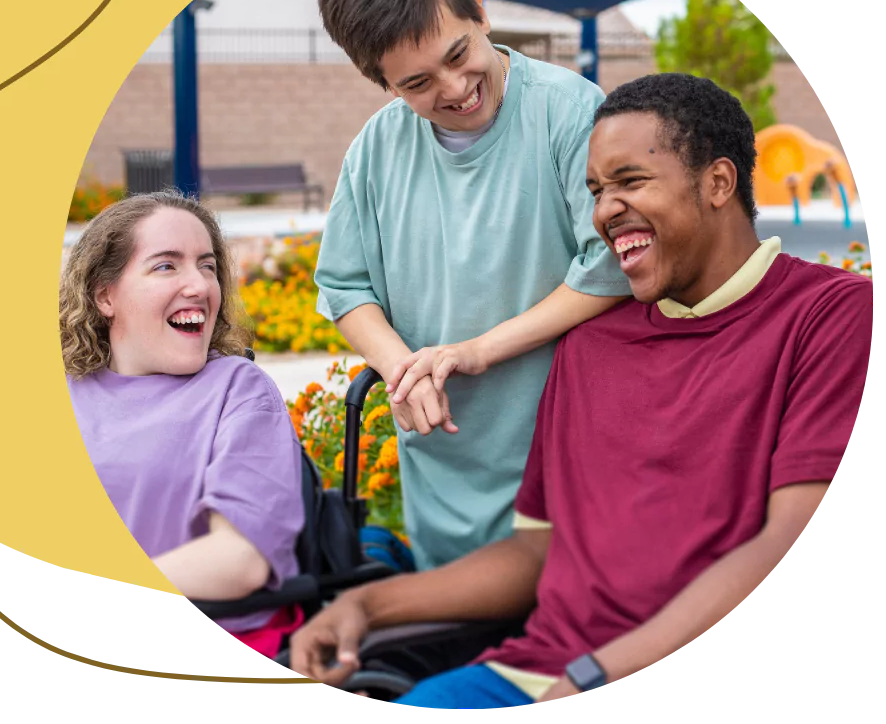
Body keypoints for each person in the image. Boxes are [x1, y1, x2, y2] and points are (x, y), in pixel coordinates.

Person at [291, 74, 875, 709]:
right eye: (596, 191)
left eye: (630, 182)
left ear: (717, 184)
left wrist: (596, 674)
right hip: (531, 672)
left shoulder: (832, 316)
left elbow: (787, 541)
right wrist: (364, 606)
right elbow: (536, 555)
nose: (603, 211)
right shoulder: (590, 345)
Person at [313, 0, 632, 577]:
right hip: (443, 456)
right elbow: (345, 287)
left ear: (480, 12)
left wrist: (476, 351)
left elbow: (609, 270)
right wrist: (403, 371)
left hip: (562, 449)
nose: (457, 88)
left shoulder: (572, 113)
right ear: (383, 83)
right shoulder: (377, 148)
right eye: (418, 83)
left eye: (460, 54)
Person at [61, 189, 305, 659]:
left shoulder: (238, 390)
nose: (199, 285)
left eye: (207, 266)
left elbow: (241, 559)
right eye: (166, 265)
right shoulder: (66, 393)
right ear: (105, 295)